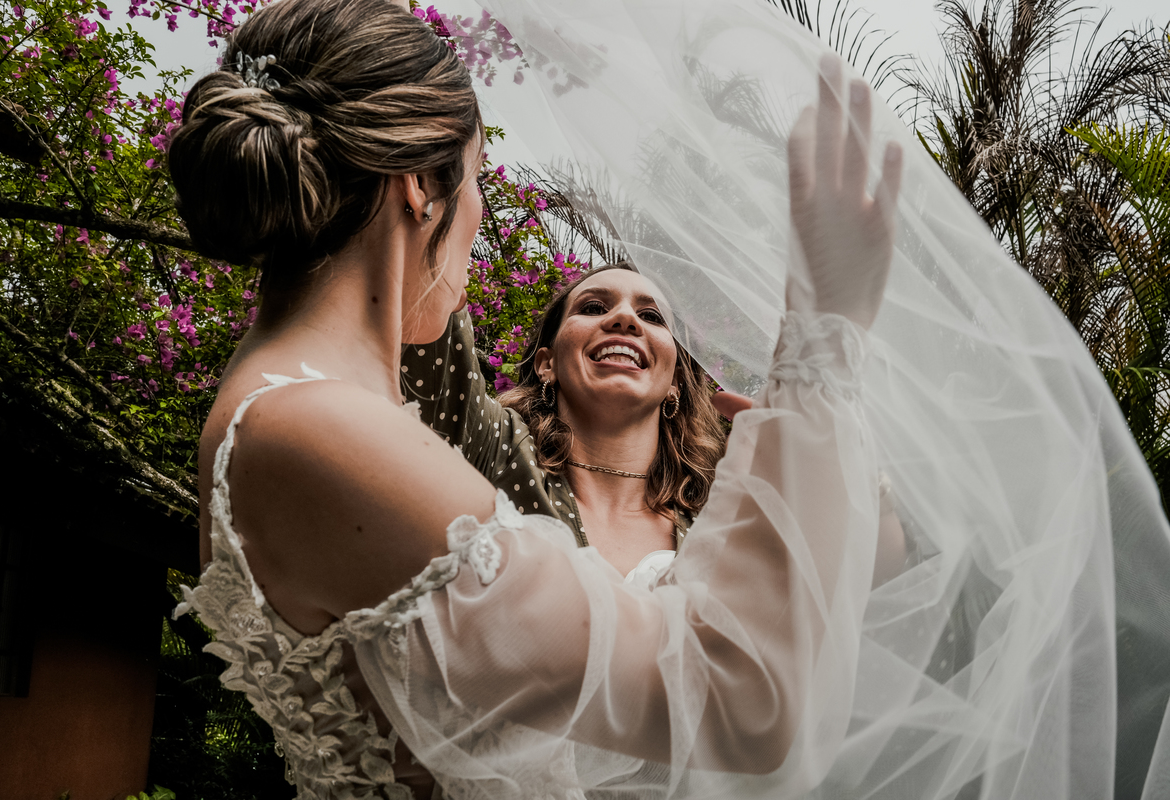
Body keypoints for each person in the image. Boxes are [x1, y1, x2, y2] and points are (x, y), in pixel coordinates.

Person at [169, 0, 901, 796]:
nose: (479, 213)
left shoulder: (292, 408)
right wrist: (822, 334)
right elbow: (737, 700)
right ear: (419, 186)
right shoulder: (318, 427)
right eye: (478, 177)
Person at [402, 265, 909, 587]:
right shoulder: (492, 450)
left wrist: (835, 461)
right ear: (546, 363)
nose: (625, 319)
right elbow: (426, 291)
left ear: (674, 383)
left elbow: (871, 577)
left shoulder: (722, 510)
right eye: (594, 307)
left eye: (653, 316)